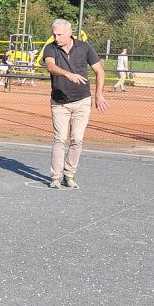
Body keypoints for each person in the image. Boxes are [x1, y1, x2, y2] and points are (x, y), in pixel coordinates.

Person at [42, 18, 108, 189]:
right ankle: (55, 177)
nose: (56, 38)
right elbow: (50, 66)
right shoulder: (51, 48)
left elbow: (99, 70)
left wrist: (99, 94)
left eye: (60, 34)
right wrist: (67, 74)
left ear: (70, 33)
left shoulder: (84, 47)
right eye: (54, 34)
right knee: (59, 139)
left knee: (77, 139)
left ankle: (69, 174)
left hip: (82, 101)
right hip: (59, 102)